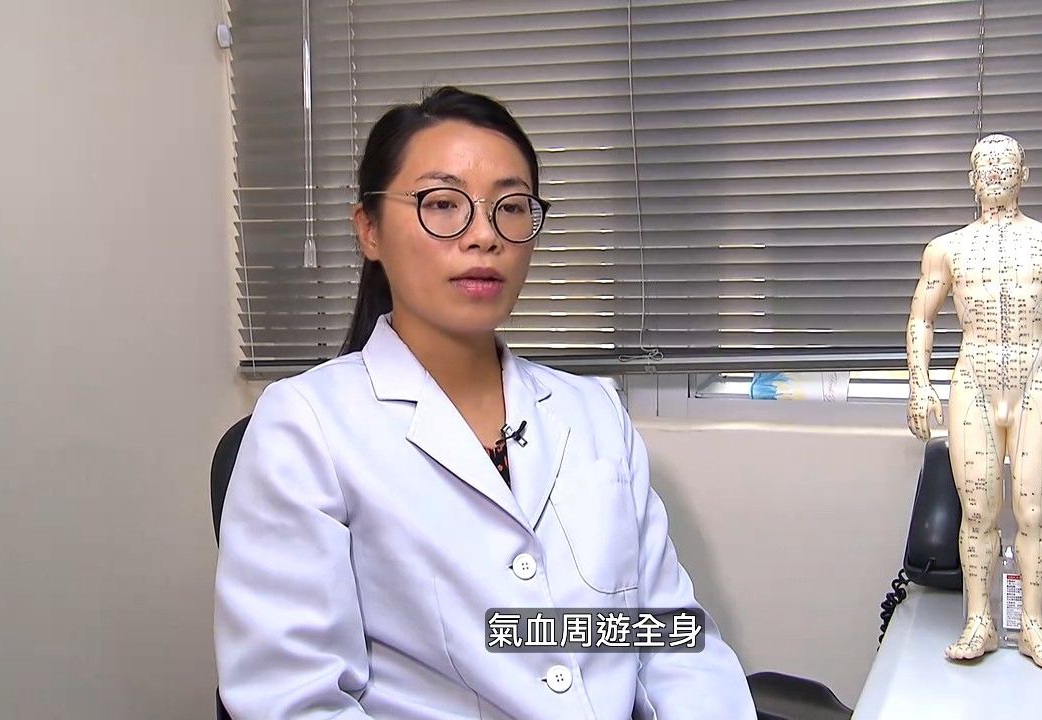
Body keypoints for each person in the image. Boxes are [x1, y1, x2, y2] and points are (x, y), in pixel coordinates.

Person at [214, 86, 756, 719]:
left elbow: (668, 639)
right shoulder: (306, 424)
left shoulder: (593, 412)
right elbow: (294, 698)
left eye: (511, 207)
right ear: (369, 229)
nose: (483, 236)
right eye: (442, 204)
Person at [905, 133, 1042, 672]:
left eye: (1007, 165)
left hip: (1035, 377)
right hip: (974, 380)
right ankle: (979, 620)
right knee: (977, 511)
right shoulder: (945, 249)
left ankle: (1032, 625)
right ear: (971, 178)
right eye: (987, 165)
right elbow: (922, 319)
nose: (997, 174)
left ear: (1025, 174)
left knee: (1033, 512)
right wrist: (918, 382)